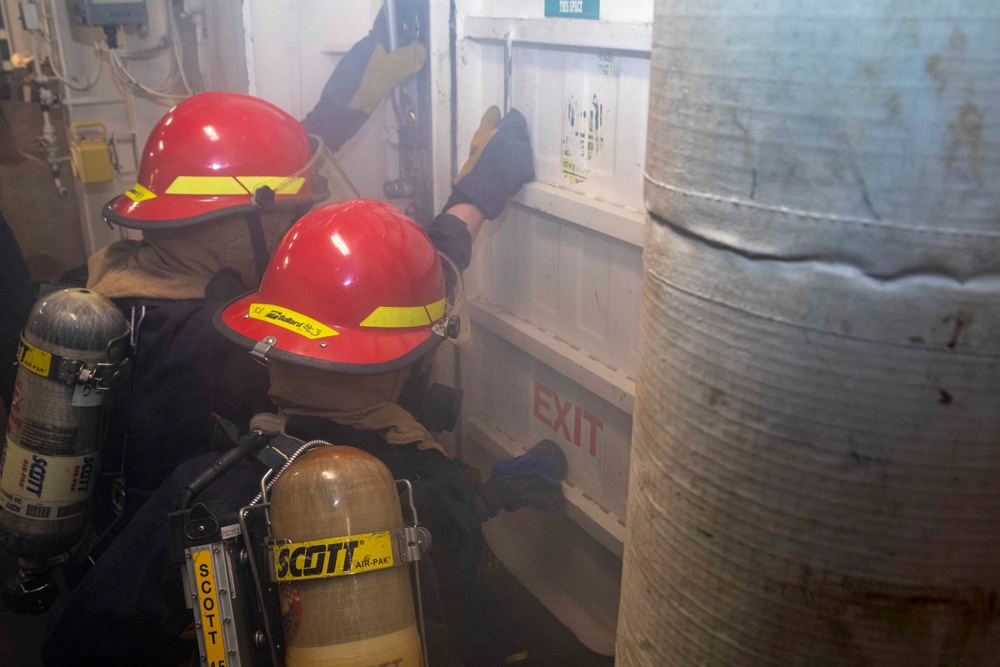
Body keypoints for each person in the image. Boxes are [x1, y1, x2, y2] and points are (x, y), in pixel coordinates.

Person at [41, 200, 565, 667]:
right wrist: (490, 493)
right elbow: (459, 575)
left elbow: (84, 641)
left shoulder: (204, 487)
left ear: (271, 344)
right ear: (407, 362)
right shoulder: (426, 486)